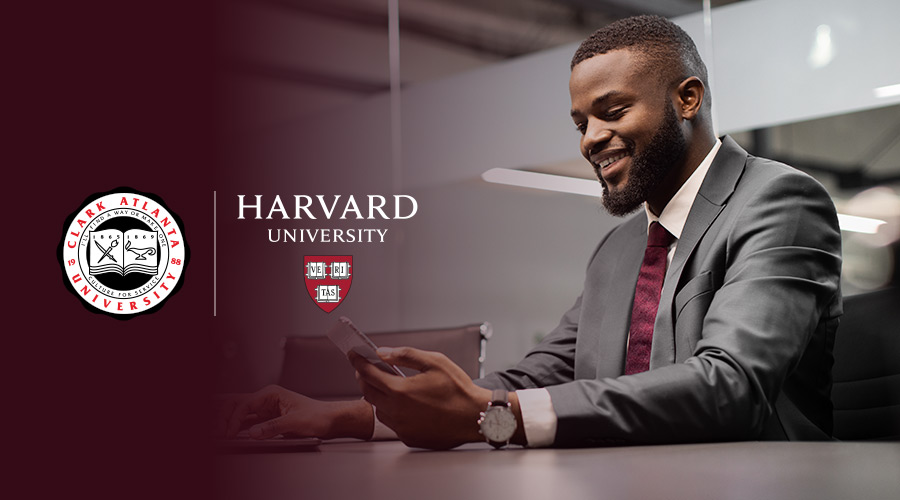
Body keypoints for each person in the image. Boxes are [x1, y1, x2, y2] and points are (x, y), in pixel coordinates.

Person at [217, 15, 842, 450]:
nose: (590, 138)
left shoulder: (778, 201)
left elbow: (729, 385)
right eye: (580, 121)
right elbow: (534, 379)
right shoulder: (622, 248)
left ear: (688, 98)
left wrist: (491, 419)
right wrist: (347, 417)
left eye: (613, 110)